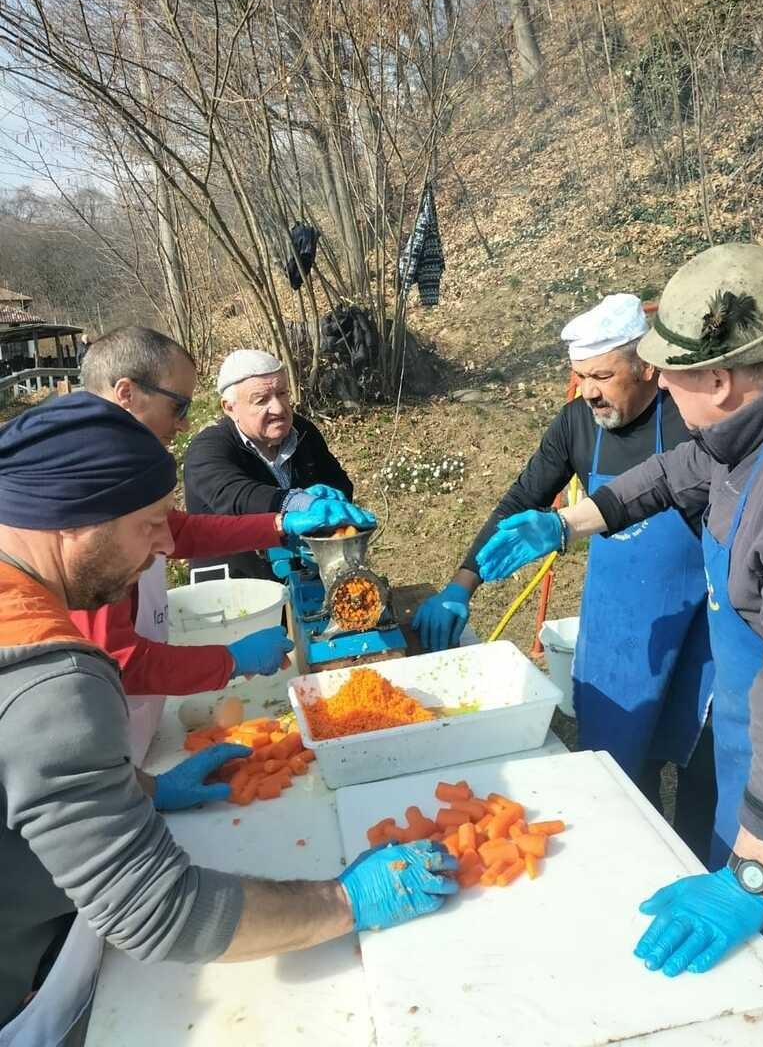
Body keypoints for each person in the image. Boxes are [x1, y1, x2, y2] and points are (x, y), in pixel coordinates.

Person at [476, 244, 763, 1047]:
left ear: (720, 379)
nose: (659, 387)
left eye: (667, 374)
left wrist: (755, 871)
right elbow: (678, 471)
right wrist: (564, 523)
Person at [0, 392, 457, 1045]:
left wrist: (144, 788)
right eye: (149, 525)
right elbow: (156, 910)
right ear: (72, 520)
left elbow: (22, 769)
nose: (166, 546)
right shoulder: (50, 675)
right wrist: (346, 900)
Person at [414, 295, 715, 857]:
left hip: (698, 629)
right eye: (580, 377)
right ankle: (633, 862)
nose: (589, 392)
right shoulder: (578, 423)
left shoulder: (688, 418)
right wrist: (462, 583)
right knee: (619, 776)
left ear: (647, 368)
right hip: (617, 632)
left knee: (704, 769)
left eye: (602, 376)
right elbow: (521, 500)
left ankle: (701, 866)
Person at [69, 328, 340, 762]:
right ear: (126, 394)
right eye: (178, 406)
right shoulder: (89, 492)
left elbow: (178, 531)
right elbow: (120, 659)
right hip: (99, 745)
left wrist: (280, 524)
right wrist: (228, 660)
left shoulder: (120, 466)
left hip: (137, 729)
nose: (183, 423)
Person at [184, 349, 372, 582]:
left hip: (308, 574)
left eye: (282, 393)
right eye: (261, 400)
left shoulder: (303, 432)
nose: (279, 408)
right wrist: (296, 502)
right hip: (234, 585)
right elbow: (235, 495)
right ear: (229, 407)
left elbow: (337, 482)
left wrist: (332, 502)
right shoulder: (208, 448)